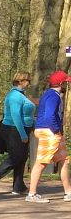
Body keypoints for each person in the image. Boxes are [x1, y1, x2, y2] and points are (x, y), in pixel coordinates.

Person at [0, 71, 35, 196]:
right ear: (20, 81)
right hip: (13, 130)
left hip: (20, 129)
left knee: (22, 157)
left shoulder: (21, 95)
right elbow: (16, 116)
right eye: (27, 80)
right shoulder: (14, 96)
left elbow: (25, 114)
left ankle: (18, 186)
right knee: (16, 157)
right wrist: (23, 134)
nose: (29, 83)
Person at [25, 69, 71, 203]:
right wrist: (56, 130)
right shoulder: (54, 96)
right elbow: (49, 115)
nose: (67, 86)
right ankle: (32, 194)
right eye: (65, 83)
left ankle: (68, 192)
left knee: (64, 160)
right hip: (49, 132)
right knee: (41, 162)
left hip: (50, 131)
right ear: (61, 84)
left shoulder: (49, 94)